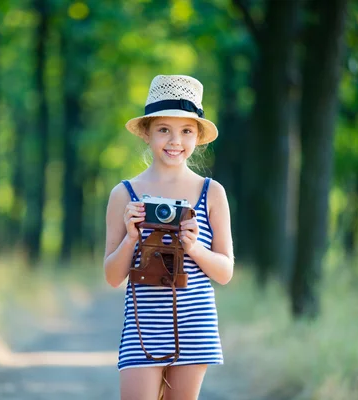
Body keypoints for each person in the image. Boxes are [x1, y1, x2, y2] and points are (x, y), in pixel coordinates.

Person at [103, 74, 235, 400]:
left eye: (186, 131)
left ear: (198, 138)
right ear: (147, 134)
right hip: (142, 325)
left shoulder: (211, 193)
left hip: (195, 324)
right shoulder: (124, 194)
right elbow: (111, 277)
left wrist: (195, 248)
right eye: (164, 129)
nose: (175, 141)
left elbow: (225, 272)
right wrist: (131, 238)